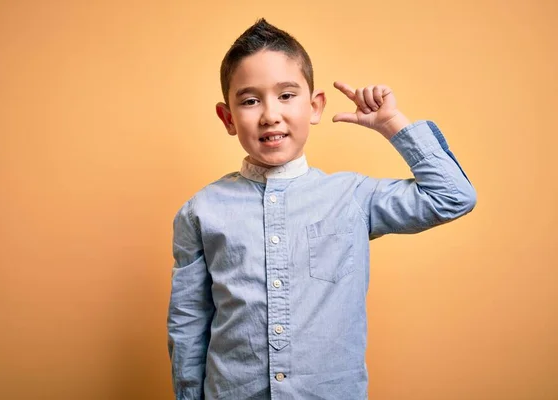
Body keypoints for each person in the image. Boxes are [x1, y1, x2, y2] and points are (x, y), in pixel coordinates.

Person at [167, 18, 476, 400]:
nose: (269, 114)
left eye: (286, 95)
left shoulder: (353, 196)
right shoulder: (201, 211)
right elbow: (188, 324)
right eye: (249, 100)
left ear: (315, 107)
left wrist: (393, 124)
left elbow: (453, 197)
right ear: (228, 118)